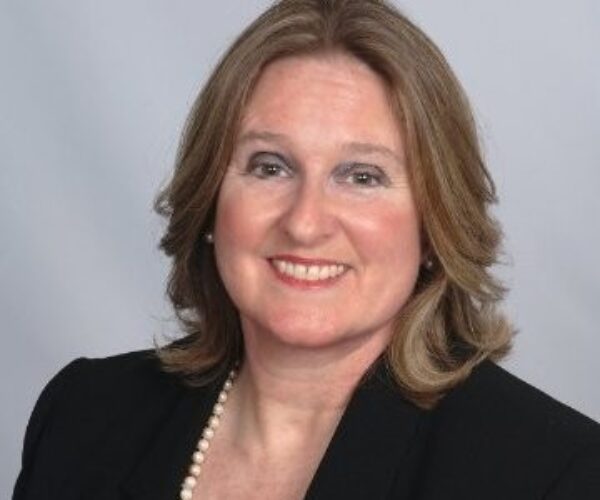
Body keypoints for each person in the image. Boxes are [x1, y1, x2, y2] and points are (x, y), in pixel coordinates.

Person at [13, 1, 600, 499]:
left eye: (362, 176)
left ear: (432, 226)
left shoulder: (551, 474)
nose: (305, 222)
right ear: (211, 199)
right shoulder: (84, 415)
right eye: (270, 166)